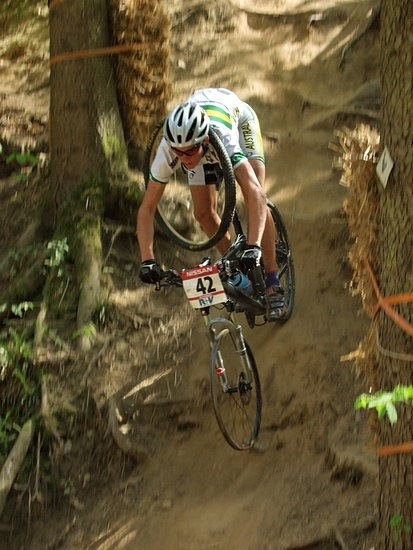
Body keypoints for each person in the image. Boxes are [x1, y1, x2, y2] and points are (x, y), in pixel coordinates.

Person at [137, 87, 285, 321]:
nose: (183, 158)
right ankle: (238, 271)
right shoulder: (170, 148)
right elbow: (147, 209)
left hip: (239, 122)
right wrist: (148, 259)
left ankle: (272, 279)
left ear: (203, 141)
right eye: (178, 153)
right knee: (203, 213)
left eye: (189, 151)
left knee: (255, 194)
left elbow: (255, 193)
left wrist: (253, 245)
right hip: (202, 146)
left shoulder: (223, 138)